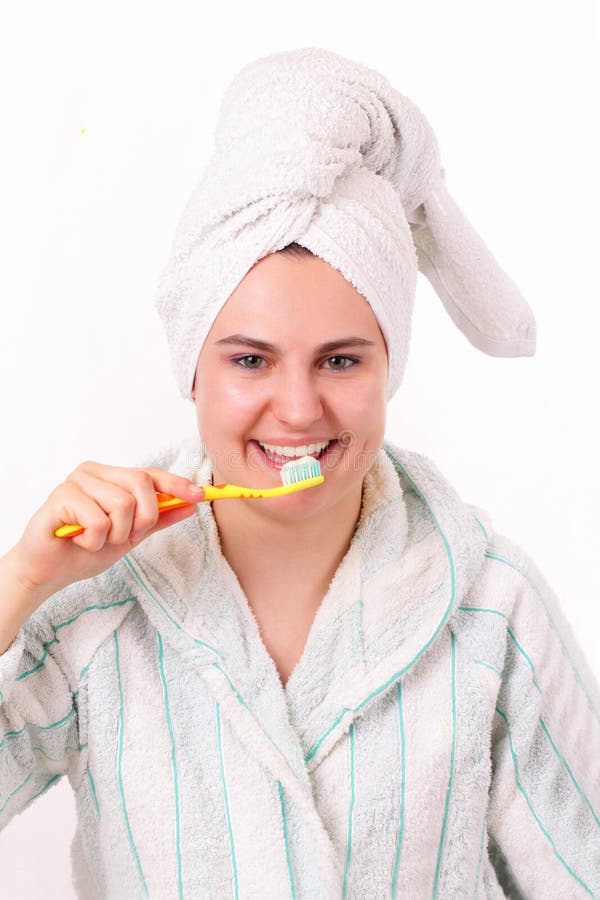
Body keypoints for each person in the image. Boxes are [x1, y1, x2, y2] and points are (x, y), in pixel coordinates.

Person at [1, 47, 599, 900]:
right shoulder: (95, 601)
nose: (297, 409)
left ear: (388, 370)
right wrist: (21, 581)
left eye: (340, 361)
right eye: (250, 359)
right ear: (193, 370)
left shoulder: (492, 613)